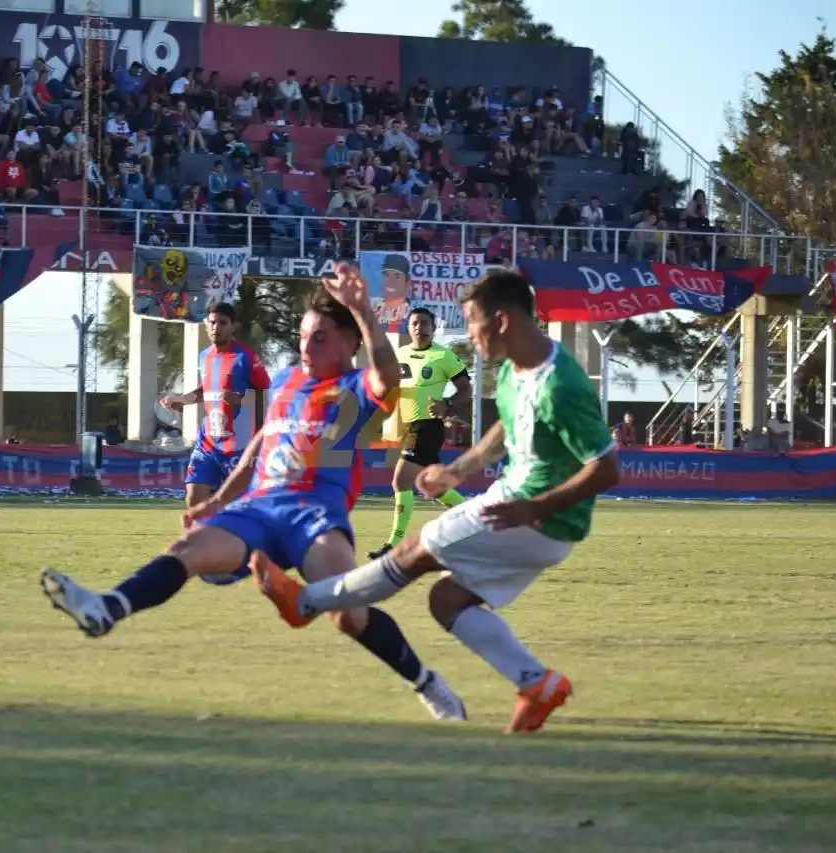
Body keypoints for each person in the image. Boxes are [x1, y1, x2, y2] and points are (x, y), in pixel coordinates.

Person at [41, 265, 467, 721]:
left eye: (320, 338)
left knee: (348, 613)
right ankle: (107, 607)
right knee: (187, 549)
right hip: (258, 509)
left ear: (349, 344)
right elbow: (260, 446)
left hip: (315, 515)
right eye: (303, 335)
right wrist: (220, 499)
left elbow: (386, 374)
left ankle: (428, 684)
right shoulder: (287, 381)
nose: (306, 346)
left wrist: (364, 310)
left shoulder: (355, 386)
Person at [251, 269, 621, 734]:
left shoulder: (561, 385)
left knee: (413, 551)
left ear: (502, 320)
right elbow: (505, 429)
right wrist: (458, 470)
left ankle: (306, 601)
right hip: (521, 509)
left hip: (533, 518)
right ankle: (536, 683)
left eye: (471, 322)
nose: (468, 335)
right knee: (447, 601)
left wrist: (535, 508)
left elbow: (607, 468)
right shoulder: (514, 368)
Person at [157, 302, 271, 585]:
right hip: (209, 440)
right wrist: (183, 400)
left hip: (239, 444)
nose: (215, 327)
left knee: (238, 507)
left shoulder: (246, 357)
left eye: (221, 322)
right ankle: (200, 555)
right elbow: (205, 389)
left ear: (233, 327)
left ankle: (239, 558)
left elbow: (264, 391)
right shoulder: (204, 356)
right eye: (211, 322)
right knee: (193, 497)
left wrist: (261, 433)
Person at [370, 306, 472, 559]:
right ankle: (474, 522)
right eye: (415, 323)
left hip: (427, 425)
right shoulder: (400, 354)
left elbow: (465, 390)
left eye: (425, 323)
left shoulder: (443, 356)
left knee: (400, 481)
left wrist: (447, 404)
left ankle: (394, 544)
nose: (420, 327)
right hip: (408, 426)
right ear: (409, 327)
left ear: (433, 327)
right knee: (431, 485)